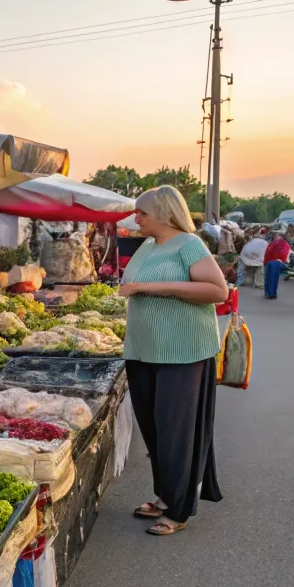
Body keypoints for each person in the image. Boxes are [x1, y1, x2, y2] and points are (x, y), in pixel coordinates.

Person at [120, 185, 228, 536]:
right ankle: (166, 494)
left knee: (174, 431)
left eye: (142, 212)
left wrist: (148, 288)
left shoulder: (189, 245)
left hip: (181, 352)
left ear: (165, 213)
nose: (135, 217)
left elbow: (217, 291)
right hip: (144, 350)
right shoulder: (150, 245)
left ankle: (179, 509)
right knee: (153, 428)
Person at [262, 231, 291, 299]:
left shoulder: (272, 243)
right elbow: (285, 256)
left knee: (268, 278)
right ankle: (272, 293)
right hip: (276, 263)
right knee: (274, 278)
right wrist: (283, 261)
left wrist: (266, 262)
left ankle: (267, 292)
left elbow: (267, 253)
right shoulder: (285, 244)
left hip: (269, 262)